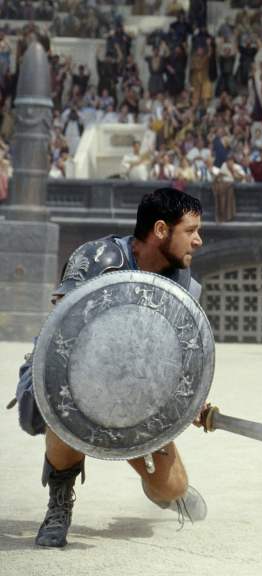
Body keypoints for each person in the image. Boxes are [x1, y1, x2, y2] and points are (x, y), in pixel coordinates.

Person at [13, 188, 209, 548]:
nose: (198, 240)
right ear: (161, 230)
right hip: (73, 382)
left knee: (172, 486)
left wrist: (190, 402)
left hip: (136, 397)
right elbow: (62, 334)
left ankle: (166, 492)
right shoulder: (98, 259)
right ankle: (59, 502)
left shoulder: (181, 283)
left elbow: (178, 358)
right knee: (62, 409)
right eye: (191, 230)